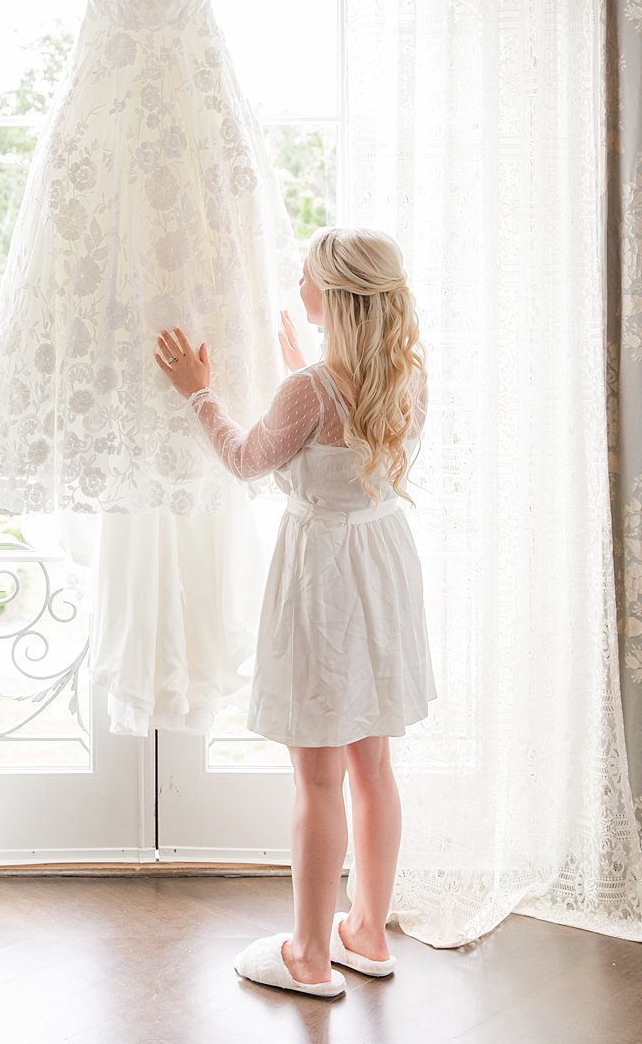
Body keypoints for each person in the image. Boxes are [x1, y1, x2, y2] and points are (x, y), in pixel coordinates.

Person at [154, 225, 436, 1000]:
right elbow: (341, 459)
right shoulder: (405, 376)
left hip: (324, 581)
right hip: (383, 568)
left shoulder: (310, 391)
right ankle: (366, 931)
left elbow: (250, 461)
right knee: (372, 765)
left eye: (306, 278)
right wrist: (295, 377)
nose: (297, 288)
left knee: (316, 776)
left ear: (334, 298)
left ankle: (310, 956)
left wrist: (197, 392)